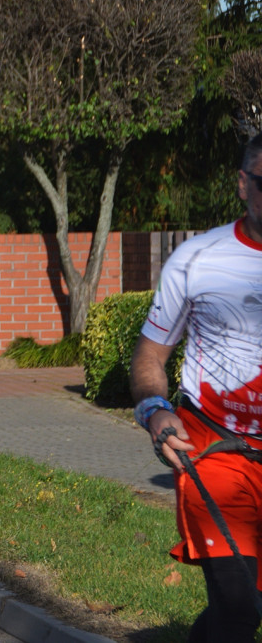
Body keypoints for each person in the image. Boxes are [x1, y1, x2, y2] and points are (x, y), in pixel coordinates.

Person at [130, 133, 262, 643]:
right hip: (217, 454)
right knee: (237, 609)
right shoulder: (198, 258)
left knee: (249, 606)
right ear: (242, 183)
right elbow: (150, 354)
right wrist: (155, 410)